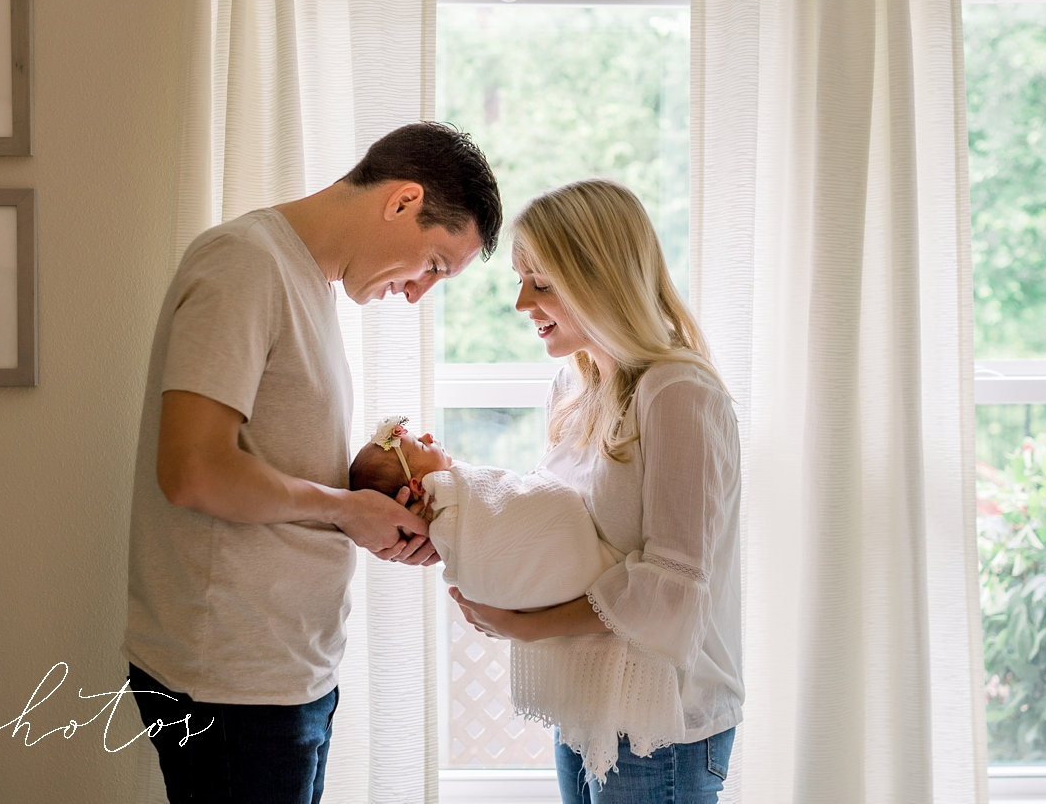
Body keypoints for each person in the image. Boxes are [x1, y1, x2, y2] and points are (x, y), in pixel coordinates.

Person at [124, 121, 501, 804]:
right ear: (402, 201)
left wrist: (370, 515)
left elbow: (273, 463)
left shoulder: (310, 285)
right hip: (233, 682)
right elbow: (192, 469)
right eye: (435, 264)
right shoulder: (245, 264)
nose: (419, 292)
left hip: (283, 671)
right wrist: (342, 509)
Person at [450, 179, 743, 802]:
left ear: (600, 278)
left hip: (664, 726)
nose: (521, 301)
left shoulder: (677, 394)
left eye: (542, 281)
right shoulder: (573, 390)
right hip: (589, 701)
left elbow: (670, 590)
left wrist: (529, 627)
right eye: (521, 278)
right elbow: (561, 531)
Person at [349, 421, 618, 611]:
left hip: (557, 575)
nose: (429, 436)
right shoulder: (446, 497)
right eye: (421, 445)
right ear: (418, 486)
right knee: (555, 509)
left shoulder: (451, 493)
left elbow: (500, 497)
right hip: (567, 531)